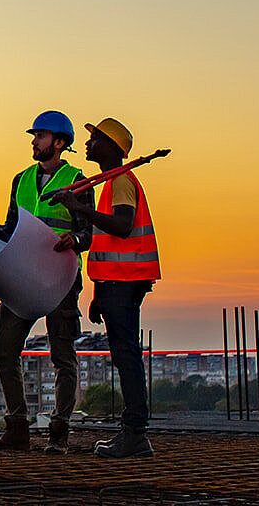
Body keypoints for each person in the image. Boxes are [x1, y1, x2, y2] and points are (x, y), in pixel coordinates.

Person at [0, 111, 95, 454]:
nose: (33, 141)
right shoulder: (21, 180)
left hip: (60, 279)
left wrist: (77, 239)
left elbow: (90, 231)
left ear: (59, 143)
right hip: (22, 277)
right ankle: (17, 429)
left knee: (62, 356)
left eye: (40, 136)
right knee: (5, 349)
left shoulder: (78, 181)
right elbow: (14, 226)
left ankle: (59, 433)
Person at [49, 118, 160, 458]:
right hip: (116, 284)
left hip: (124, 283)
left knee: (127, 357)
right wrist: (99, 292)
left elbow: (123, 228)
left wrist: (80, 208)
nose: (88, 142)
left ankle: (135, 434)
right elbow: (106, 241)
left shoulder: (122, 181)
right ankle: (132, 433)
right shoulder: (113, 183)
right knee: (125, 355)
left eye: (95, 137)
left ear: (112, 146)